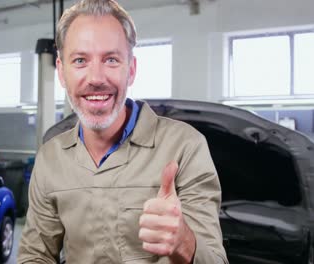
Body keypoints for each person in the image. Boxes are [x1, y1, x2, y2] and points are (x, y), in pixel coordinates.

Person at [18, 0, 228, 263]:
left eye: (111, 59)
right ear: (62, 72)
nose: (96, 78)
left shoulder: (185, 147)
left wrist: (184, 242)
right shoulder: (50, 157)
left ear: (131, 70)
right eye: (80, 60)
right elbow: (35, 255)